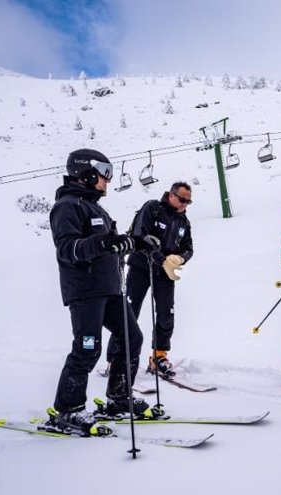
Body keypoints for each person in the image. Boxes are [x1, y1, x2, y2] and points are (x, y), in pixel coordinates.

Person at [49, 148, 160, 432]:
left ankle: (119, 397)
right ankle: (68, 410)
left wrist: (136, 243)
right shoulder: (67, 206)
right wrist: (103, 243)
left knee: (131, 338)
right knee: (87, 349)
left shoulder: (94, 206)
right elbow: (68, 249)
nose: (107, 180)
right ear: (85, 172)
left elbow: (110, 242)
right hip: (85, 291)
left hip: (109, 289)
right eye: (104, 173)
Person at [106, 182, 194, 380]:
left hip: (165, 273)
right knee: (128, 312)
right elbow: (140, 237)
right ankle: (114, 359)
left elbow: (189, 247)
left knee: (166, 312)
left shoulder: (183, 221)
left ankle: (159, 356)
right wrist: (162, 260)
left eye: (189, 201)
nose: (185, 204)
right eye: (182, 199)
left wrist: (179, 258)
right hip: (140, 267)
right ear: (171, 196)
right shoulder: (152, 208)